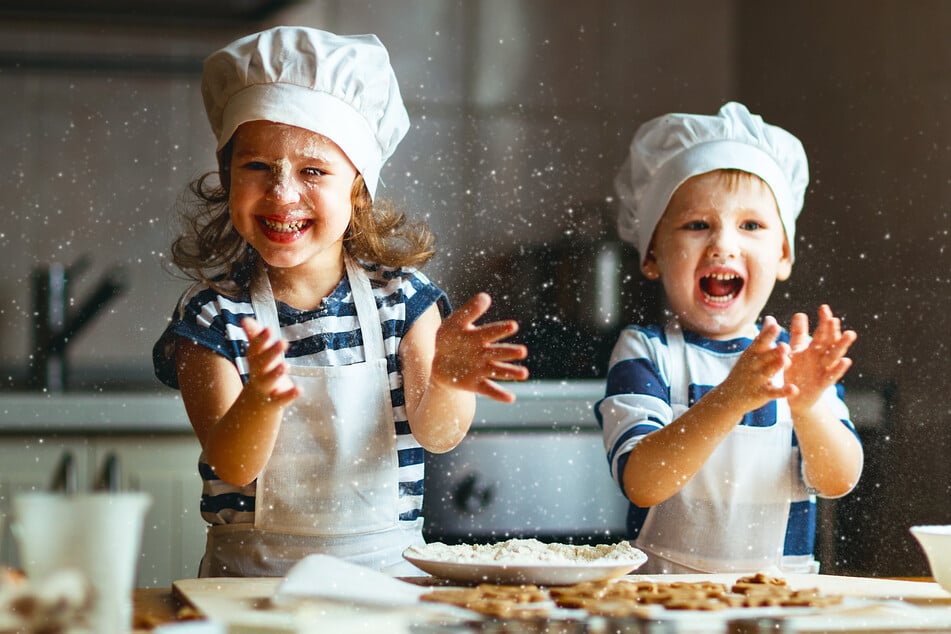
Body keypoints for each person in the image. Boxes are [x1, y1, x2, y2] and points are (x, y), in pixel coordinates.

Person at [153, 26, 529, 577]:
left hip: (389, 582)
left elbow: (438, 436)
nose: (282, 193)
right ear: (227, 177)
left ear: (358, 188)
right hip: (251, 588)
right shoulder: (211, 318)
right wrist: (261, 399)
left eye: (313, 170)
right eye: (256, 166)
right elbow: (233, 464)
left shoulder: (404, 299)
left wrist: (446, 380)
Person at [597, 102, 863, 574]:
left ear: (783, 255)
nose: (723, 244)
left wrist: (806, 407)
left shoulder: (796, 362)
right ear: (653, 252)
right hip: (662, 605)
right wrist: (730, 399)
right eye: (697, 225)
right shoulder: (646, 352)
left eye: (751, 226)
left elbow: (838, 479)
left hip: (780, 606)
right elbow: (642, 480)